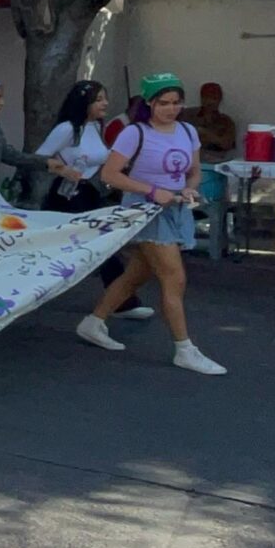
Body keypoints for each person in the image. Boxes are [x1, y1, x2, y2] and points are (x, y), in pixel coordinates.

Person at [75, 74, 227, 375]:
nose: (171, 108)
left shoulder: (187, 131)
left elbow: (194, 172)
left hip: (175, 210)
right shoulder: (135, 133)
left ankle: (94, 322)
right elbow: (110, 174)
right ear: (150, 103)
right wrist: (152, 191)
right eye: (163, 103)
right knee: (174, 278)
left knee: (136, 275)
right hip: (145, 211)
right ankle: (184, 349)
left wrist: (189, 188)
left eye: (176, 102)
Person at [34, 81, 153, 317]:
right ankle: (122, 300)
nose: (105, 104)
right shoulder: (67, 129)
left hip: (89, 191)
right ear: (84, 103)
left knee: (97, 244)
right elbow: (39, 157)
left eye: (104, 98)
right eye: (99, 99)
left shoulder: (95, 128)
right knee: (99, 243)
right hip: (67, 194)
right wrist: (62, 169)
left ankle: (122, 301)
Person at [186, 82, 238, 164]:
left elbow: (227, 144)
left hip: (215, 164)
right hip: (187, 161)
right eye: (207, 97)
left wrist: (207, 135)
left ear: (220, 99)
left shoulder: (226, 121)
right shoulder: (187, 115)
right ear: (201, 98)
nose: (211, 101)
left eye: (214, 97)